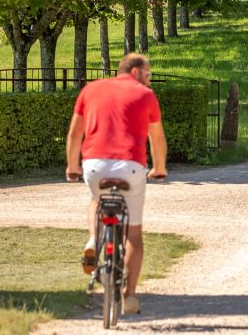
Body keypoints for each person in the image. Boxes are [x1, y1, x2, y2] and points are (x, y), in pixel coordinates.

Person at [66, 53, 168, 316]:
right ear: (135, 72)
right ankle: (130, 295)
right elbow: (156, 139)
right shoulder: (145, 95)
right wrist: (159, 169)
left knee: (96, 200)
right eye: (147, 74)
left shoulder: (91, 89)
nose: (149, 80)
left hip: (95, 165)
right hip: (130, 167)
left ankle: (92, 238)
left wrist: (73, 167)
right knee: (133, 234)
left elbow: (75, 132)